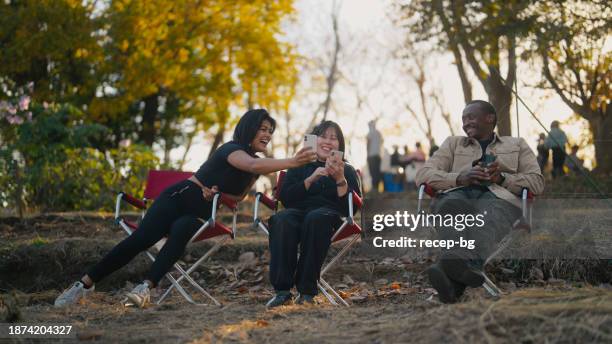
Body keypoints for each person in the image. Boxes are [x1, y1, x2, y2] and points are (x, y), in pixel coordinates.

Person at [54, 109, 317, 308]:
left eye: (270, 130)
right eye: (262, 128)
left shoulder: (255, 165)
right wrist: (293, 162)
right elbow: (250, 165)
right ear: (248, 128)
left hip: (199, 214)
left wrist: (217, 192)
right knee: (140, 240)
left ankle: (145, 288)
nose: (268, 135)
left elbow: (236, 197)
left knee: (181, 232)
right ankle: (84, 284)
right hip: (177, 198)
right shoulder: (232, 149)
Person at [415, 100, 544, 303]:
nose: (466, 123)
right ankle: (462, 274)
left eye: (471, 117)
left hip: (500, 198)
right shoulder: (453, 144)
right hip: (458, 194)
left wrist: (502, 178)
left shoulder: (516, 144)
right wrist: (459, 178)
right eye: (463, 119)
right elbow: (422, 174)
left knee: (487, 213)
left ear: (489, 118)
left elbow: (537, 182)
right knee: (449, 206)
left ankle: (450, 281)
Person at [266, 120, 361, 307]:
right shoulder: (298, 166)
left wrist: (340, 179)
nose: (328, 141)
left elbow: (351, 207)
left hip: (329, 215)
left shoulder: (347, 170)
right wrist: (309, 180)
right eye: (323, 136)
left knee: (316, 218)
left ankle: (307, 290)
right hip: (297, 212)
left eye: (333, 138)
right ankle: (283, 291)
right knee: (281, 219)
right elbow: (285, 198)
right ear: (313, 140)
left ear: (340, 145)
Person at [367, 120, 383, 192]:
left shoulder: (370, 133)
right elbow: (382, 142)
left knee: (373, 172)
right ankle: (377, 187)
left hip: (371, 155)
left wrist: (367, 154)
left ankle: (374, 188)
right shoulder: (379, 133)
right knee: (377, 171)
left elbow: (368, 144)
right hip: (378, 155)